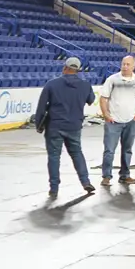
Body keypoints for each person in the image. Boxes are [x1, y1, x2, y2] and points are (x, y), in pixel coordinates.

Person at [36, 57, 96, 197]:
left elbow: (41, 107)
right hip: (74, 126)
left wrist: (39, 125)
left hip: (54, 126)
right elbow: (91, 100)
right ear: (78, 70)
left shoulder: (52, 84)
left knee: (54, 157)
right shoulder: (85, 85)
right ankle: (85, 181)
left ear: (65, 68)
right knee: (77, 154)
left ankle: (54, 188)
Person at [100, 54, 135, 185]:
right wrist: (106, 115)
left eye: (128, 64)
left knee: (127, 150)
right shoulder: (112, 80)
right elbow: (103, 98)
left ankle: (125, 175)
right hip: (113, 122)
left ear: (134, 66)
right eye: (123, 64)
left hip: (131, 121)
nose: (125, 67)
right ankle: (106, 177)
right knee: (109, 150)